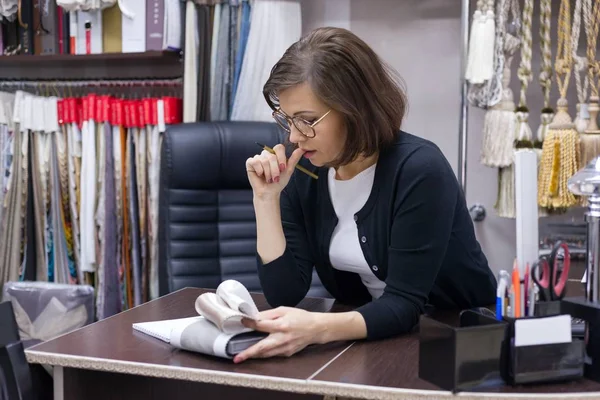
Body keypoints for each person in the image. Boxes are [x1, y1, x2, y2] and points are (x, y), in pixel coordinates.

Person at [235, 27, 496, 364]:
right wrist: (266, 200)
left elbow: (404, 303)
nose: (295, 137)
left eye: (308, 120)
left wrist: (315, 328)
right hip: (374, 337)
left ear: (355, 109)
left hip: (459, 338)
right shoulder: (307, 170)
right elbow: (285, 292)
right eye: (287, 120)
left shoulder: (419, 170)